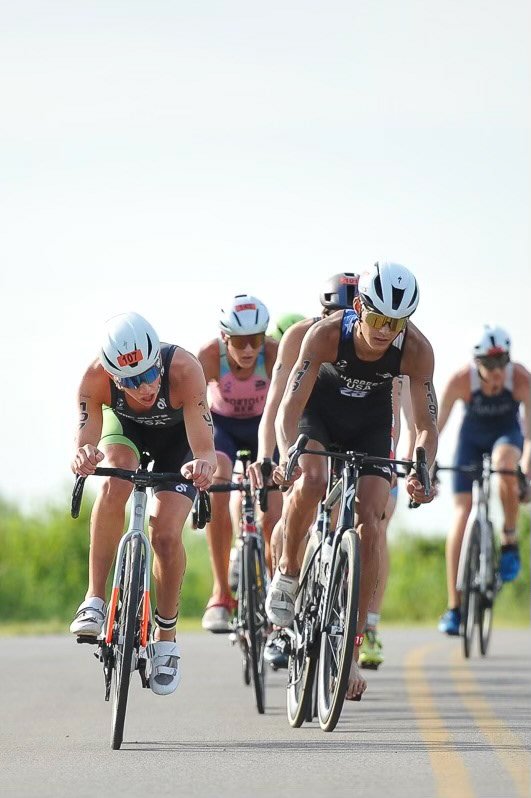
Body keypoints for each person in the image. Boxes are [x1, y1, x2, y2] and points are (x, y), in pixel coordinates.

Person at [267, 261, 438, 700]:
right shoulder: (325, 334)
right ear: (359, 307)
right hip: (318, 415)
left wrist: (423, 467)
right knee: (312, 480)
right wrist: (290, 453)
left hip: (370, 423)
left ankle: (351, 649)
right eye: (378, 318)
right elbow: (289, 407)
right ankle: (287, 572)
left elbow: (424, 425)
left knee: (372, 519)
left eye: (395, 323)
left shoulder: (416, 349)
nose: (384, 331)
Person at [70, 312, 216, 695]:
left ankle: (165, 637)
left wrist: (204, 464)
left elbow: (204, 446)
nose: (147, 386)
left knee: (166, 536)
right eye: (132, 381)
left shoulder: (184, 369)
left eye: (151, 373)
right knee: (112, 482)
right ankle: (95, 598)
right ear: (113, 376)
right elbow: (86, 437)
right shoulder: (93, 377)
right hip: (126, 433)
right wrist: (83, 454)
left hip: (178, 442)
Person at [249, 273, 360, 668]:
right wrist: (271, 457)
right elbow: (276, 404)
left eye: (349, 316)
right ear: (321, 312)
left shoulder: (372, 344)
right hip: (306, 419)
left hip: (353, 423)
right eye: (333, 314)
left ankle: (350, 643)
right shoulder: (301, 337)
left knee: (360, 528)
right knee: (307, 485)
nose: (340, 325)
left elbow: (391, 408)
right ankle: (286, 580)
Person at [436, 325, 530, 636]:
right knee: (462, 514)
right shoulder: (461, 380)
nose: (497, 370)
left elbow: (529, 434)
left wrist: (525, 470)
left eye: (502, 362)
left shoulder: (521, 379)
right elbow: (434, 427)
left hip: (507, 436)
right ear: (477, 364)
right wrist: (423, 463)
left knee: (506, 468)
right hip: (471, 441)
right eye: (489, 364)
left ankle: (509, 540)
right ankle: (454, 607)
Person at [198, 294, 282, 632]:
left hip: (264, 428)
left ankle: (275, 589)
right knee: (217, 480)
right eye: (239, 341)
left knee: (274, 508)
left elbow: (288, 404)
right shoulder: (208, 356)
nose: (249, 350)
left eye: (256, 340)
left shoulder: (274, 353)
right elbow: (194, 407)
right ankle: (221, 593)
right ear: (224, 338)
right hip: (224, 429)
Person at [359, 375, 416, 669]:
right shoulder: (334, 343)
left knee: (378, 522)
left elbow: (415, 417)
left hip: (382, 454)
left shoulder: (402, 361)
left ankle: (369, 625)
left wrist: (411, 460)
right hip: (334, 442)